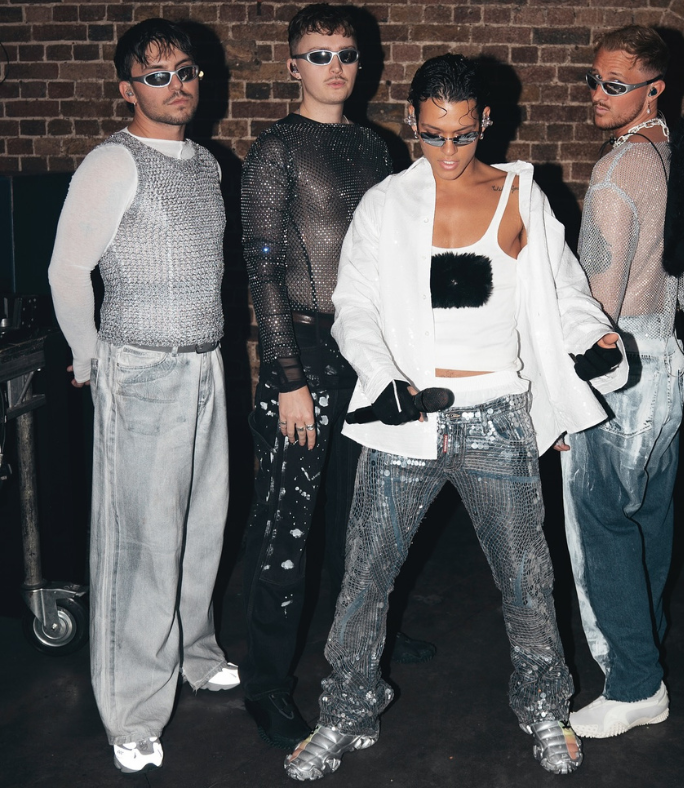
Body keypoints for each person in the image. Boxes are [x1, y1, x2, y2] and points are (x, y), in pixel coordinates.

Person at [283, 53, 627, 781]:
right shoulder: (386, 205)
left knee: (527, 580)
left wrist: (592, 340)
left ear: (486, 123)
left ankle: (544, 707)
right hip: (406, 420)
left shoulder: (520, 196)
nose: (447, 151)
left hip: (497, 417)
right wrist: (384, 378)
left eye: (463, 135)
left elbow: (564, 291)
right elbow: (354, 307)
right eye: (432, 134)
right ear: (411, 121)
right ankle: (346, 711)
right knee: (364, 579)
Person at [240, 2, 433, 753]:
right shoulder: (276, 149)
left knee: (365, 517)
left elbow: (391, 258)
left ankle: (368, 637)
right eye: (319, 55)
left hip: (365, 353)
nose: (335, 67)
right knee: (286, 529)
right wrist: (286, 376)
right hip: (303, 356)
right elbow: (261, 272)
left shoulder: (375, 146)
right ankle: (266, 683)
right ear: (293, 66)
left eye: (346, 54)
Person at [47, 18, 238, 774]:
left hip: (205, 365)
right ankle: (131, 711)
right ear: (128, 88)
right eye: (157, 76)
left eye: (186, 71)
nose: (177, 86)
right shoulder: (112, 161)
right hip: (142, 371)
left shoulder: (207, 164)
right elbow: (68, 270)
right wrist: (87, 357)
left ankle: (195, 653)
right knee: (141, 549)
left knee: (202, 527)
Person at [559, 25, 684, 741]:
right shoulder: (676, 155)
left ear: (653, 89)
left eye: (616, 85)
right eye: (595, 80)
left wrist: (563, 398)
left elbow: (595, 309)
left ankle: (635, 685)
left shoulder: (615, 174)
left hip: (620, 367)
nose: (598, 95)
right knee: (649, 524)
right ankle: (646, 661)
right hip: (668, 360)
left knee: (602, 527)